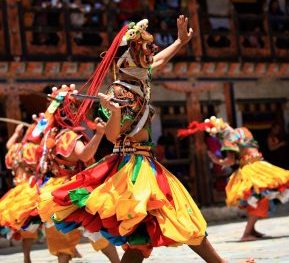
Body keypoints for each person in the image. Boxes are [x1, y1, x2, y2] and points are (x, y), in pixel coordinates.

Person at [50, 16, 254, 263]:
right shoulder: (117, 91)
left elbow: (161, 59)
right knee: (168, 214)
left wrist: (179, 41)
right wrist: (114, 112)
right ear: (130, 55)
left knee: (152, 228)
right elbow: (114, 135)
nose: (151, 52)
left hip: (146, 161)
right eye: (146, 48)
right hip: (129, 164)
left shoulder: (141, 79)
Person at [30, 84, 120, 263]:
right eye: (74, 108)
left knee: (62, 239)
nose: (77, 112)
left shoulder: (51, 136)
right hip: (71, 190)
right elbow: (85, 154)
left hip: (52, 191)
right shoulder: (68, 136)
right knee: (96, 230)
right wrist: (99, 134)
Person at [178, 117, 289, 242]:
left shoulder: (229, 139)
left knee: (257, 197)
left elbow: (230, 161)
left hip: (251, 169)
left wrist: (216, 160)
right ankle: (250, 230)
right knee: (259, 196)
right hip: (259, 163)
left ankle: (247, 232)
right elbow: (247, 151)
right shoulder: (244, 130)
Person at [0, 119, 41, 263]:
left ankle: (27, 257)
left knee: (28, 229)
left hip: (17, 191)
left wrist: (16, 134)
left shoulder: (15, 148)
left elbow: (8, 145)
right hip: (30, 191)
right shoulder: (34, 149)